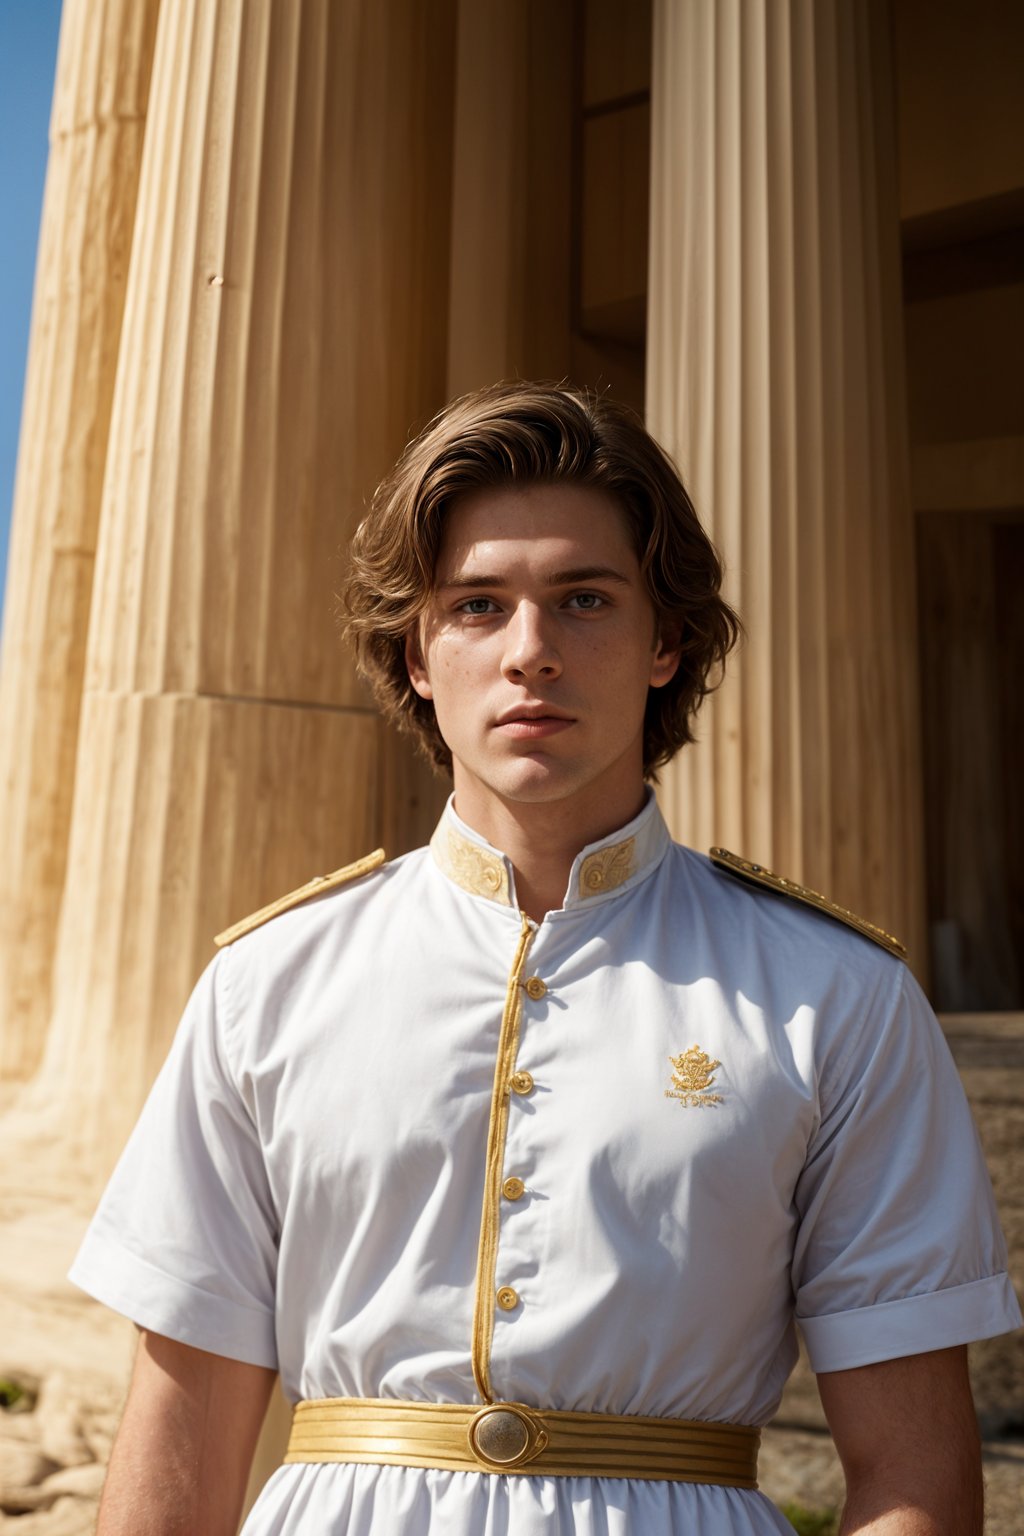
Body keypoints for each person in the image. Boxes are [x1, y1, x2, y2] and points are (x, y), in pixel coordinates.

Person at [71, 381, 1020, 1535]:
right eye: (476, 605)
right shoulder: (264, 986)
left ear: (665, 641)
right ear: (416, 653)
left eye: (583, 599)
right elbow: (180, 1436)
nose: (531, 652)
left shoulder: (840, 997)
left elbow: (913, 1471)